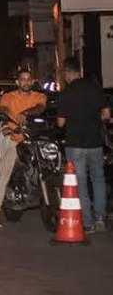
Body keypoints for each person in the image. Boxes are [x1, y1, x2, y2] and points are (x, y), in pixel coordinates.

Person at [56, 57, 112, 234]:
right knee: (98, 180)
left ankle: (88, 223)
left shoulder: (66, 93)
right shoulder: (95, 89)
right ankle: (100, 219)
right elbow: (106, 114)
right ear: (79, 71)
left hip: (75, 145)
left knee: (80, 183)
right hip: (95, 143)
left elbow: (60, 123)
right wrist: (93, 118)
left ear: (67, 73)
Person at [0, 68, 47, 228]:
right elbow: (3, 109)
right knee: (5, 171)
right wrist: (8, 119)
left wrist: (26, 113)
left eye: (28, 79)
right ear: (17, 82)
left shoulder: (39, 96)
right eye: (22, 79)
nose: (26, 82)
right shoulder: (8, 97)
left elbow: (40, 107)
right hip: (12, 136)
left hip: (32, 138)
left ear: (32, 81)